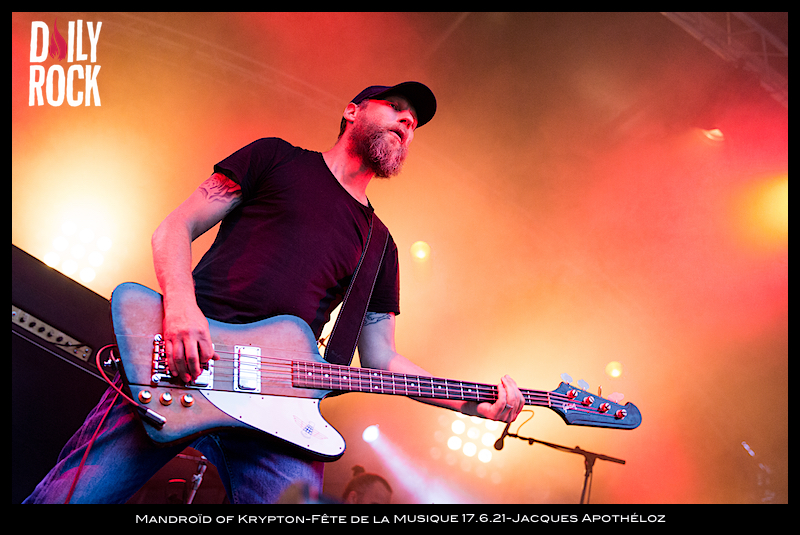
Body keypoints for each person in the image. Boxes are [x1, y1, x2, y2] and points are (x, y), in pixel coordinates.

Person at [23, 81, 524, 504]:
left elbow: (381, 359)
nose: (407, 122)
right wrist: (181, 310)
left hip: (280, 405)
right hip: (183, 363)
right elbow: (175, 228)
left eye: (413, 123)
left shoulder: (381, 246)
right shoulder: (275, 158)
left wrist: (473, 402)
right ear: (351, 111)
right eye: (396, 107)